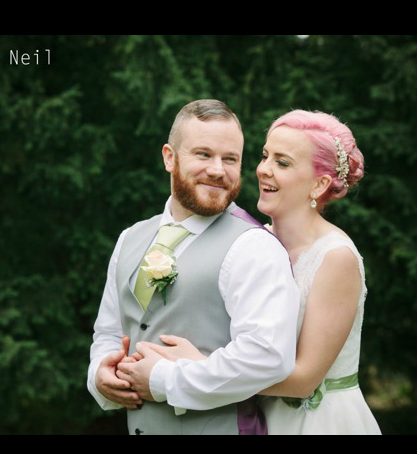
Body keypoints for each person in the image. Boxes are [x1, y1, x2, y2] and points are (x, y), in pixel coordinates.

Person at [138, 110, 382, 435]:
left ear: (319, 183)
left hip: (317, 422)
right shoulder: (253, 244)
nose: (264, 170)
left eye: (282, 163)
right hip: (254, 420)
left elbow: (304, 381)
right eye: (265, 156)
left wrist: (195, 367)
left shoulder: (335, 258)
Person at [87, 99, 300, 435]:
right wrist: (100, 374)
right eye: (203, 154)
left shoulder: (254, 247)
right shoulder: (130, 238)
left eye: (230, 159)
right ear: (169, 158)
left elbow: (268, 357)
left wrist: (162, 380)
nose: (218, 170)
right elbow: (110, 333)